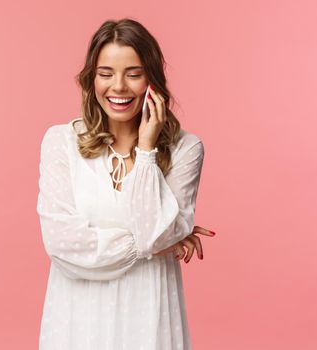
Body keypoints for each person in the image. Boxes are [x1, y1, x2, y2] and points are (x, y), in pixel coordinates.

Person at [36, 18, 216, 350]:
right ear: (91, 80)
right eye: (106, 74)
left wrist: (146, 150)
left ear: (152, 80)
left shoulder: (185, 150)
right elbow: (63, 245)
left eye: (133, 74)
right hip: (77, 320)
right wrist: (152, 246)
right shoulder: (60, 143)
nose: (118, 86)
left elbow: (154, 234)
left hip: (147, 316)